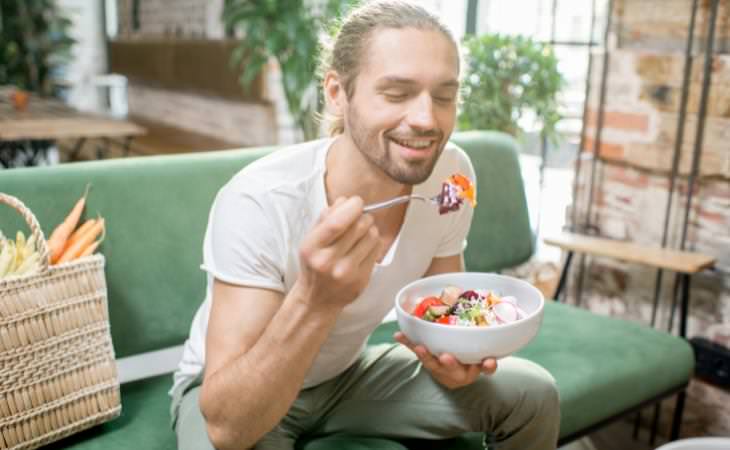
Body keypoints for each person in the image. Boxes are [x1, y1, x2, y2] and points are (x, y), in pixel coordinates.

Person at [169, 1, 560, 449]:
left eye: (445, 96)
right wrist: (316, 300)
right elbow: (227, 426)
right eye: (396, 94)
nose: (426, 120)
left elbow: (443, 306)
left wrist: (453, 355)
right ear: (336, 92)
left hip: (346, 378)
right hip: (237, 390)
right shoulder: (259, 200)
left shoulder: (451, 175)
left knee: (533, 393)